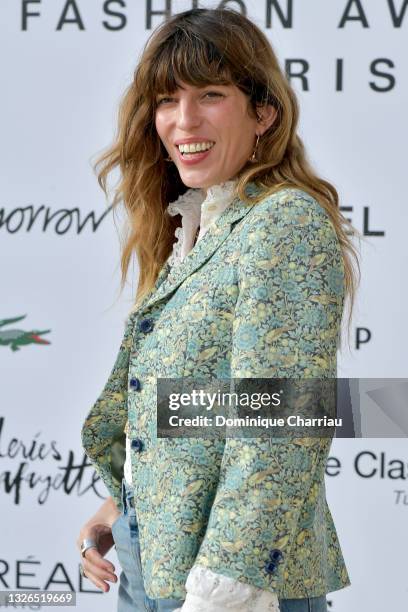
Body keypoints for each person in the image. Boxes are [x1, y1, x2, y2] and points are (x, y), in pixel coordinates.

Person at [77, 7, 360, 612]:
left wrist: (225, 593)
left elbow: (282, 421)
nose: (184, 120)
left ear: (264, 112)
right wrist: (130, 497)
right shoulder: (197, 224)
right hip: (152, 553)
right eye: (166, 99)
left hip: (228, 585)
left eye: (210, 95)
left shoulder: (283, 221)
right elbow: (210, 402)